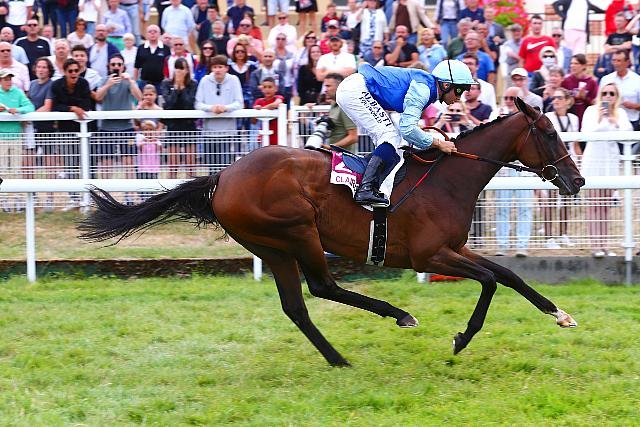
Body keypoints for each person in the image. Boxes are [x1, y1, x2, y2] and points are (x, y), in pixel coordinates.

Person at [335, 60, 471, 207]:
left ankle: (369, 184)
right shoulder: (423, 89)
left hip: (353, 89)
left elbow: (406, 128)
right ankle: (365, 189)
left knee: (390, 139)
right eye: (459, 90)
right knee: (389, 136)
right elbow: (408, 129)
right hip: (355, 90)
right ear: (446, 85)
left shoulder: (427, 87)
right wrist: (439, 143)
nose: (459, 97)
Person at [580, 83, 632, 258]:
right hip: (593, 161)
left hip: (610, 163)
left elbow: (627, 136)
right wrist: (601, 120)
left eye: (612, 93)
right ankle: (595, 245)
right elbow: (585, 133)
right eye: (605, 93)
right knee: (593, 205)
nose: (608, 96)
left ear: (616, 97)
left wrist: (614, 122)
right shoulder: (591, 111)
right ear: (600, 95)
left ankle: (604, 244)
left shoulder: (621, 113)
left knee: (605, 207)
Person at [493, 86, 533, 257]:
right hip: (503, 167)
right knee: (502, 207)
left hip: (524, 168)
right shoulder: (496, 114)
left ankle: (522, 245)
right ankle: (502, 245)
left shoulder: (530, 118)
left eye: (513, 99)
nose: (509, 102)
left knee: (525, 207)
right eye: (507, 98)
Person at [50, 58, 93, 210]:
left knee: (88, 164)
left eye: (76, 70)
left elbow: (87, 104)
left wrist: (71, 106)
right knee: (70, 165)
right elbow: (55, 106)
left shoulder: (84, 83)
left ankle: (89, 199)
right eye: (71, 71)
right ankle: (74, 199)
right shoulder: (56, 85)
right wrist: (73, 108)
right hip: (66, 131)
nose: (74, 73)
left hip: (85, 130)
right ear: (64, 71)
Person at [94, 54, 143, 184]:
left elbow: (139, 97)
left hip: (126, 127)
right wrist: (108, 85)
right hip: (106, 128)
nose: (116, 67)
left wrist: (131, 81)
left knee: (129, 163)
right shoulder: (104, 80)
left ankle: (130, 194)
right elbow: (98, 97)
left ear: (123, 66)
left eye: (119, 64)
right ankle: (105, 192)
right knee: (106, 164)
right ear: (109, 66)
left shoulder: (128, 80)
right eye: (113, 64)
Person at [544, 88, 581, 248]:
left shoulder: (573, 119)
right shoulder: (548, 117)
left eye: (559, 98)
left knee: (566, 198)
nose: (556, 101)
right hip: (552, 161)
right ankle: (548, 237)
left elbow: (575, 144)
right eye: (554, 98)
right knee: (550, 199)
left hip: (567, 161)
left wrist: (578, 163)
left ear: (567, 101)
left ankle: (563, 234)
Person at [195, 54, 243, 172]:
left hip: (227, 131)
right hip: (209, 132)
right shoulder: (205, 80)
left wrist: (225, 108)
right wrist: (211, 108)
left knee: (225, 167)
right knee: (211, 168)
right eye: (215, 67)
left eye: (220, 67)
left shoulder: (234, 80)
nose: (217, 70)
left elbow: (239, 103)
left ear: (226, 68)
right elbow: (198, 104)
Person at [160, 57, 198, 178]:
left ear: (187, 70)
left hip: (188, 126)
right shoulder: (166, 84)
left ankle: (191, 188)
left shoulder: (193, 84)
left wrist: (182, 87)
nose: (179, 71)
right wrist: (176, 88)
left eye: (182, 68)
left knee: (190, 165)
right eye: (177, 68)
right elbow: (169, 103)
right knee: (173, 164)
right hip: (173, 126)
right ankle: (171, 188)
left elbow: (189, 104)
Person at [599, 49, 640, 131]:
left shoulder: (637, 80)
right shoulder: (606, 79)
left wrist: (634, 106)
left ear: (627, 62)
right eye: (614, 60)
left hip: (632, 120)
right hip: (609, 121)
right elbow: (599, 100)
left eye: (619, 61)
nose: (616, 63)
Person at [561, 53, 599, 129]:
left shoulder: (591, 82)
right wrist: (572, 98)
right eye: (571, 63)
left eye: (576, 63)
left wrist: (584, 97)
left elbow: (595, 103)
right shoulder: (566, 81)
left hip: (586, 117)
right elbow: (562, 100)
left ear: (584, 66)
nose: (572, 66)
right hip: (570, 118)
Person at [134, 25, 171, 92]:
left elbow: (169, 67)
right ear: (146, 34)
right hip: (144, 83)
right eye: (150, 31)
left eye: (155, 31)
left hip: (160, 83)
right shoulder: (141, 48)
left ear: (160, 34)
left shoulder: (166, 49)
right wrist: (135, 82)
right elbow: (136, 67)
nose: (152, 33)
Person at [252, 77, 283, 146]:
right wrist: (255, 112)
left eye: (270, 87)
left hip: (277, 136)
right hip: (263, 134)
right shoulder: (258, 101)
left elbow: (275, 104)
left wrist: (261, 109)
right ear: (261, 89)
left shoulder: (278, 97)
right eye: (264, 87)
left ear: (276, 88)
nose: (267, 89)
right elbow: (253, 121)